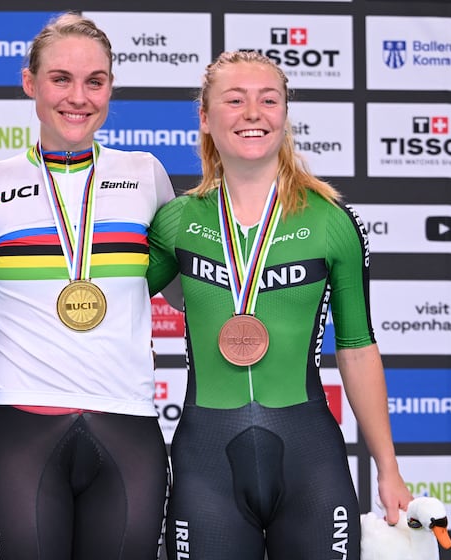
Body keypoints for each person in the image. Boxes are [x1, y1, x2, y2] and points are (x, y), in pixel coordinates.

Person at [147, 50, 413, 560]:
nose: (253, 113)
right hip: (206, 462)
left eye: (269, 100)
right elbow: (117, 307)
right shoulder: (176, 221)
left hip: (309, 459)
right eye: (235, 99)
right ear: (205, 117)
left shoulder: (333, 221)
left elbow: (357, 349)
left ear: (284, 114)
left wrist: (389, 468)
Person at [0, 12, 175, 560]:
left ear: (109, 88)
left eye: (95, 81)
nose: (78, 97)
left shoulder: (146, 173)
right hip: (22, 426)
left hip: (128, 423)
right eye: (60, 79)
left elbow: (184, 287)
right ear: (30, 83)